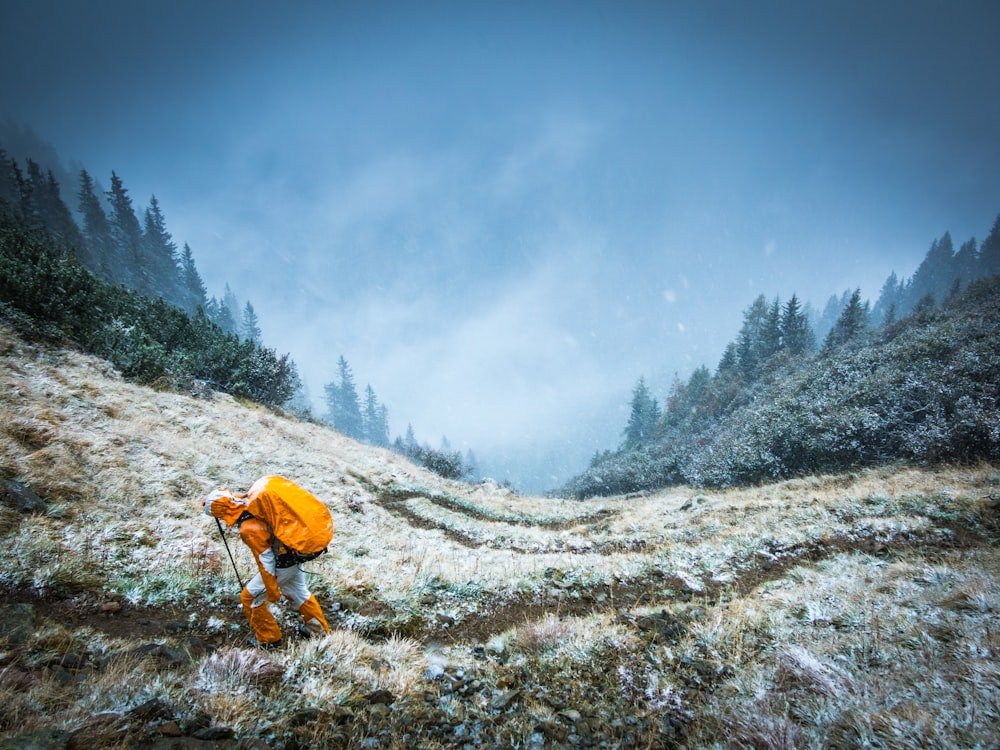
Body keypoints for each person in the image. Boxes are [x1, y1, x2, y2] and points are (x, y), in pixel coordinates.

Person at [203, 476, 332, 648]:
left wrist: (272, 589)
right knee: (300, 593)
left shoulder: (249, 527)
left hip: (281, 565)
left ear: (222, 512)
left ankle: (269, 639)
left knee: (249, 598)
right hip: (293, 558)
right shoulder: (252, 503)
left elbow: (266, 560)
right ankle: (319, 632)